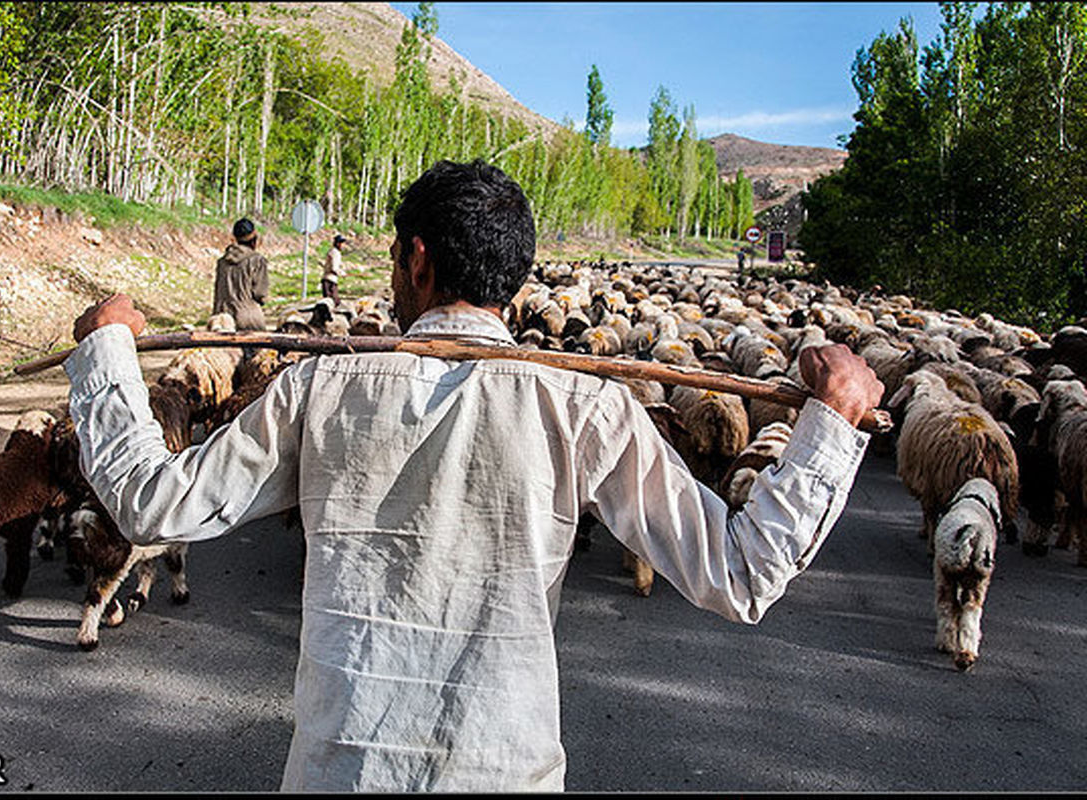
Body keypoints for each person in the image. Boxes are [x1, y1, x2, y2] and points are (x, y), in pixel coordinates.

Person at [65, 159, 883, 792]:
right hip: (503, 770)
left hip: (343, 774)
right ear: (516, 283)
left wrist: (106, 353)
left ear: (415, 261)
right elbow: (739, 575)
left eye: (391, 261)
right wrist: (832, 426)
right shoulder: (584, 405)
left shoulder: (321, 387)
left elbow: (150, 506)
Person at [213, 217, 269, 331]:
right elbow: (260, 294)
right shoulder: (257, 260)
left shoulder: (222, 262)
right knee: (260, 348)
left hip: (222, 318)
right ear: (254, 240)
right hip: (248, 319)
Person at [320, 234, 347, 304]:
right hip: (330, 281)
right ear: (338, 244)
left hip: (329, 280)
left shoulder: (333, 252)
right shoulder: (335, 253)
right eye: (342, 243)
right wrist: (342, 273)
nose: (344, 246)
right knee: (332, 302)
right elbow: (334, 268)